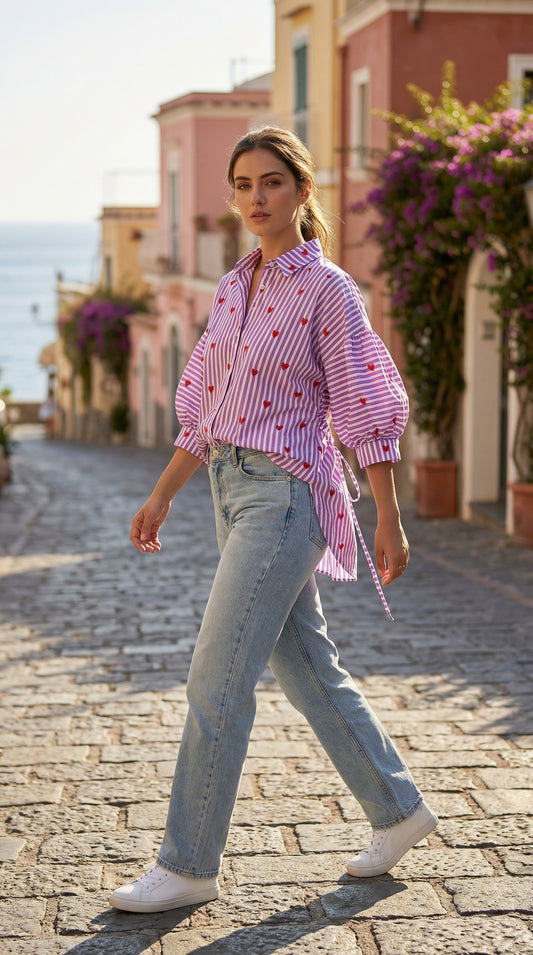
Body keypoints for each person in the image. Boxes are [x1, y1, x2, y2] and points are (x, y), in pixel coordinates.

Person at [109, 127, 437, 914]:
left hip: (288, 494)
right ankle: (399, 810)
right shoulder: (230, 287)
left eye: (271, 183)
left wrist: (388, 519)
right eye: (242, 185)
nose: (255, 199)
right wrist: (163, 493)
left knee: (215, 678)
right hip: (231, 487)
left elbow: (364, 409)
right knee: (306, 668)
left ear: (301, 189)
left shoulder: (327, 290)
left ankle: (188, 862)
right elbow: (203, 408)